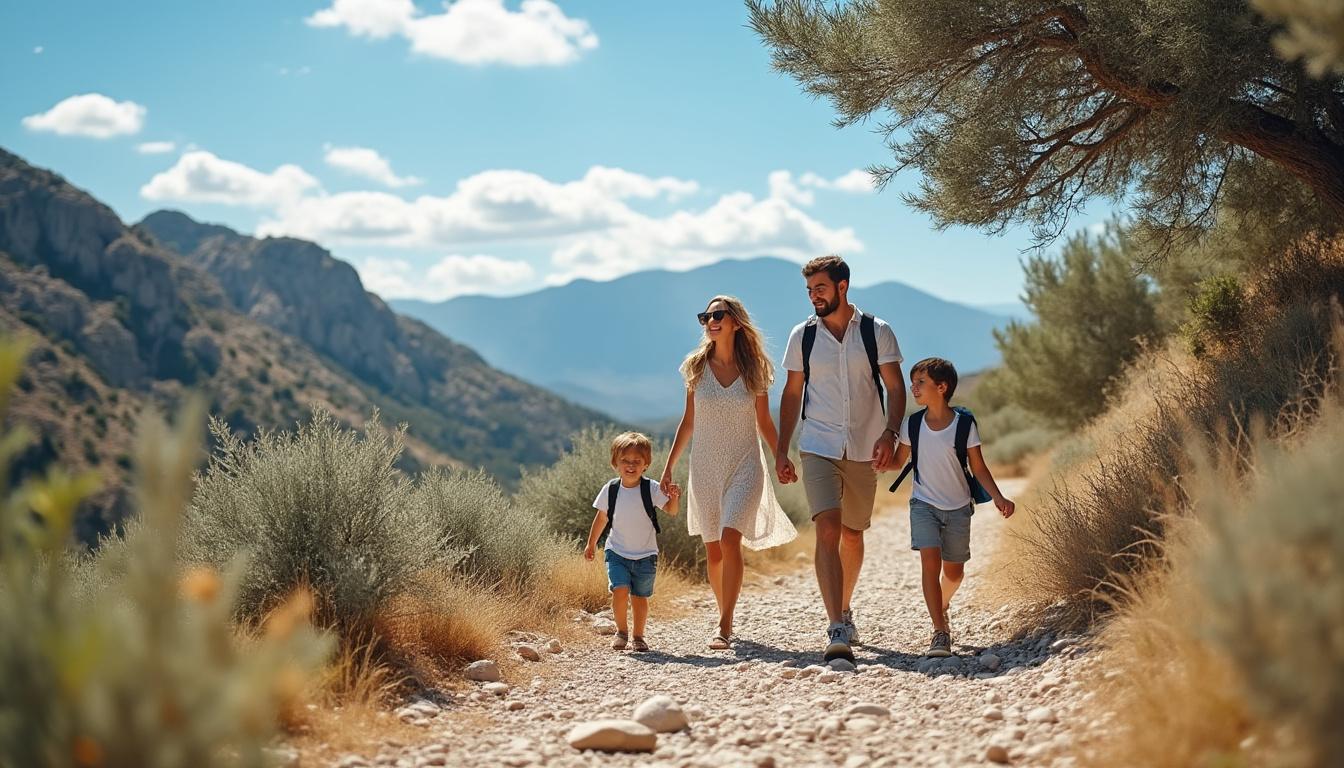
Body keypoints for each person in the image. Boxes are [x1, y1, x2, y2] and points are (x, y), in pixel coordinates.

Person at [775, 256, 906, 663]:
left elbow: (896, 389)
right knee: (827, 528)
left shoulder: (876, 331)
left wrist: (890, 433)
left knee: (853, 532)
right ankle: (835, 625)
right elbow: (793, 394)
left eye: (820, 288)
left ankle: (845, 607)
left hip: (866, 446)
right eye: (809, 290)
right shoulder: (803, 336)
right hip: (818, 444)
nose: (814, 296)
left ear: (842, 286)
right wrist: (782, 448)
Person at [662, 296, 797, 650]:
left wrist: (781, 456)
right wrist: (668, 466)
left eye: (717, 314)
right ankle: (724, 611)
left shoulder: (755, 369)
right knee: (714, 550)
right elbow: (688, 422)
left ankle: (725, 624)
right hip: (705, 467)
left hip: (745, 465)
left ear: (735, 321)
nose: (710, 321)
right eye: (705, 316)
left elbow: (764, 421)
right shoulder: (695, 366)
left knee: (729, 539)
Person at [892, 358, 1015, 657]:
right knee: (929, 563)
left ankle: (942, 604)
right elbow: (897, 462)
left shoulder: (963, 425)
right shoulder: (912, 424)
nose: (914, 388)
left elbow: (979, 467)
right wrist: (876, 460)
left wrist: (998, 497)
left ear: (942, 387)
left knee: (955, 573)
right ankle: (940, 631)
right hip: (923, 504)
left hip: (959, 507)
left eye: (921, 382)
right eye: (913, 382)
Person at [583, 432, 681, 652]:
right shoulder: (611, 489)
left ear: (646, 464)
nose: (630, 465)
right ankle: (621, 632)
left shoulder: (652, 488)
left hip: (646, 555)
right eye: (625, 460)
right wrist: (591, 544)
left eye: (637, 461)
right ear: (615, 463)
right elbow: (601, 518)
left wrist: (674, 497)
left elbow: (672, 511)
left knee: (639, 598)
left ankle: (638, 636)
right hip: (616, 552)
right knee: (619, 590)